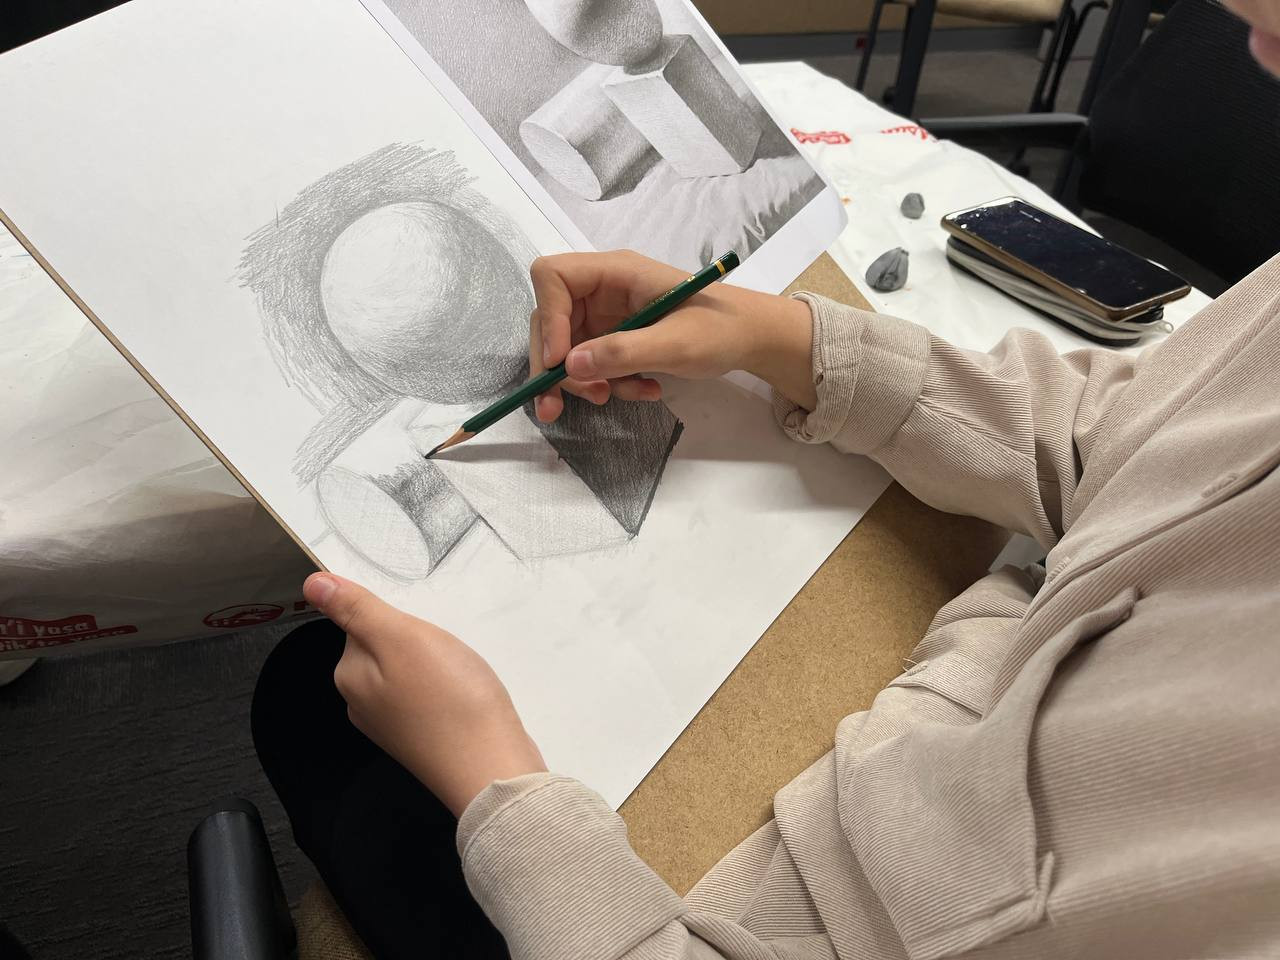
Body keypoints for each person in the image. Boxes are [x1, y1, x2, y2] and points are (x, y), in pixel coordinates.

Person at [253, 1, 1280, 955]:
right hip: (933, 704)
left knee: (308, 701)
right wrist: (788, 341)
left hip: (749, 908)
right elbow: (1118, 439)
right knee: (340, 678)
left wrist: (499, 791)